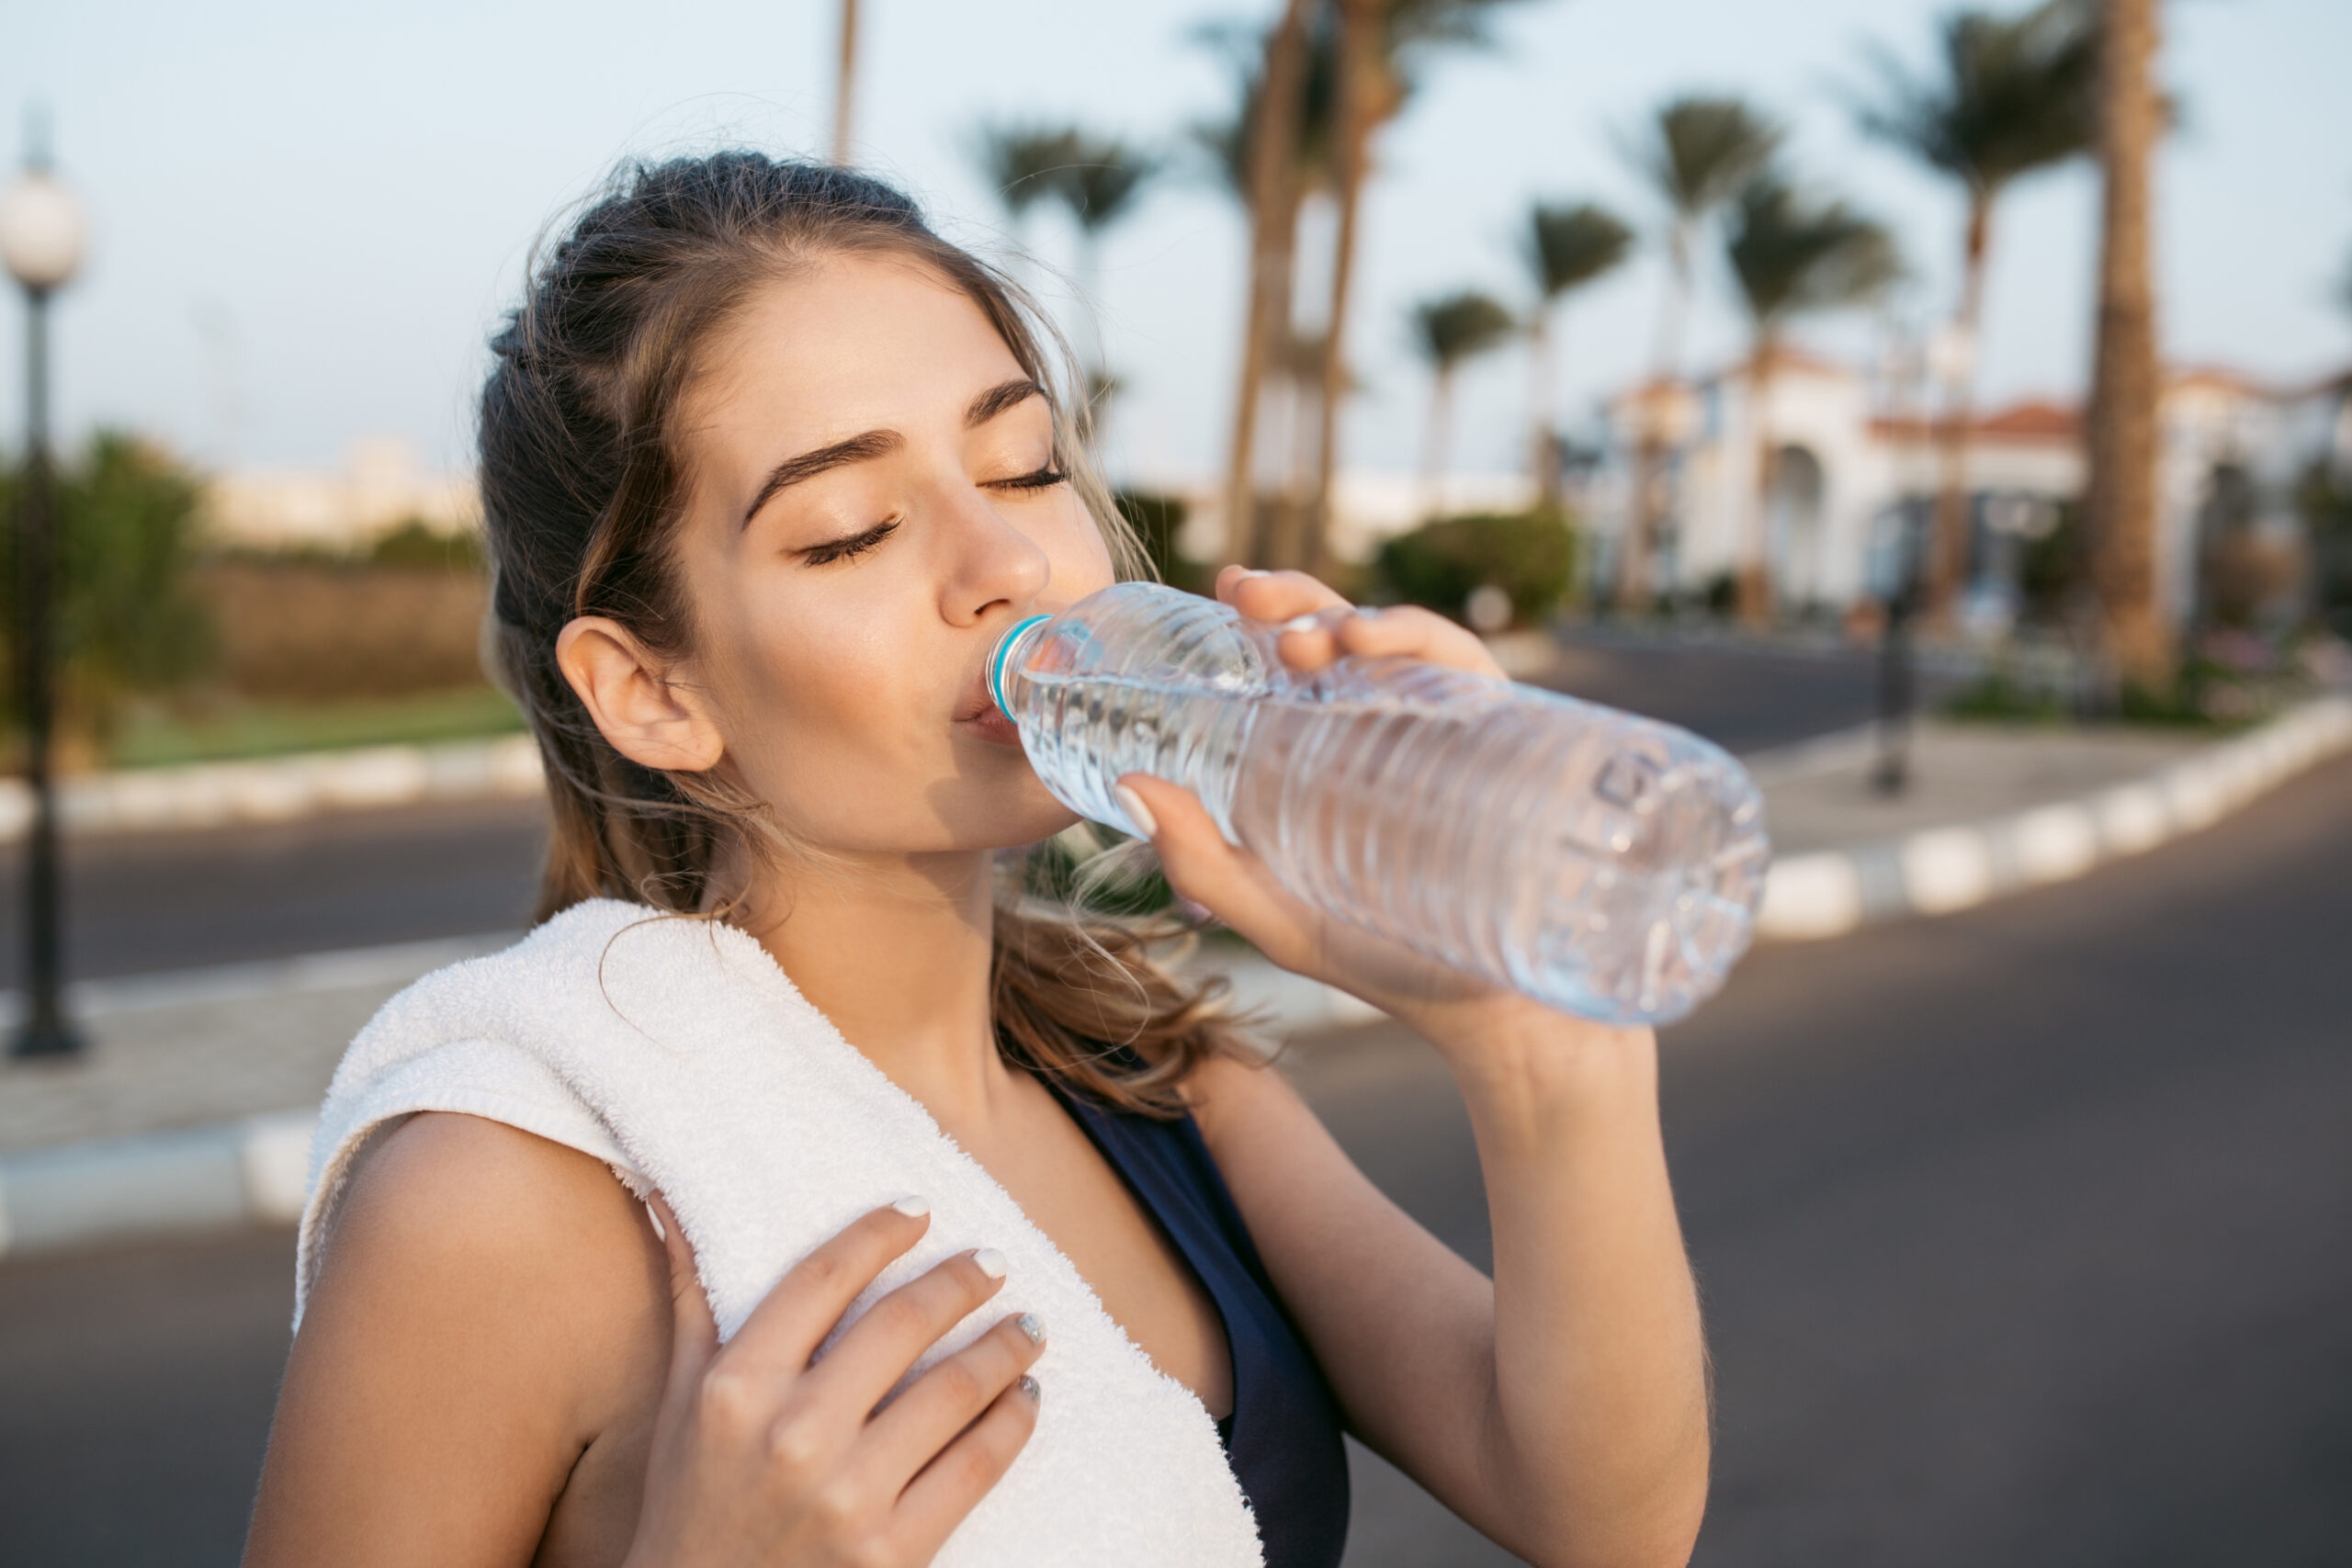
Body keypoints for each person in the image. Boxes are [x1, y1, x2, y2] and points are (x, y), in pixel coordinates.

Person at [243, 152, 1709, 1568]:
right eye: (851, 531)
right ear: (652, 690)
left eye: (1020, 464)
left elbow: (1601, 1519)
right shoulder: (502, 1205)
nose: (1003, 563)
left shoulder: (1160, 1082)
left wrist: (1539, 1038)